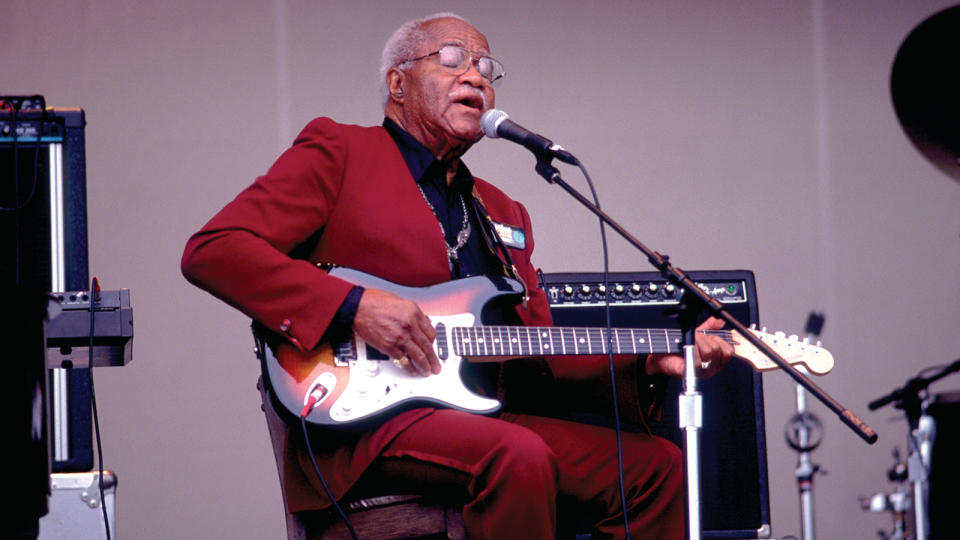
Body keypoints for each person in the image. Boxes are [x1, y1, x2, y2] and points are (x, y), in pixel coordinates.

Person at [181, 12, 733, 539]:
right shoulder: (340, 152)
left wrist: (650, 363)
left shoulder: (502, 210)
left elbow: (536, 350)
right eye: (451, 58)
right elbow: (215, 250)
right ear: (398, 83)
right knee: (517, 454)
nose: (475, 75)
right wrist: (354, 306)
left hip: (480, 416)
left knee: (654, 468)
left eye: (487, 68)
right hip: (359, 425)